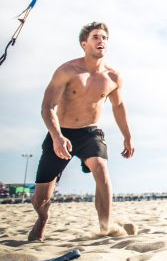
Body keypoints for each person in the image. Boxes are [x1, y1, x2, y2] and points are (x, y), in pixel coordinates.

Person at [29, 22, 135, 240]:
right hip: (62, 133)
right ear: (84, 44)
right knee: (41, 197)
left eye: (104, 37)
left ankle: (105, 228)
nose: (101, 41)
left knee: (101, 169)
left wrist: (128, 136)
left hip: (90, 134)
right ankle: (42, 218)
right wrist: (57, 137)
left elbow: (118, 106)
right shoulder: (67, 71)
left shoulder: (113, 77)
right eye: (96, 37)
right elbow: (47, 106)